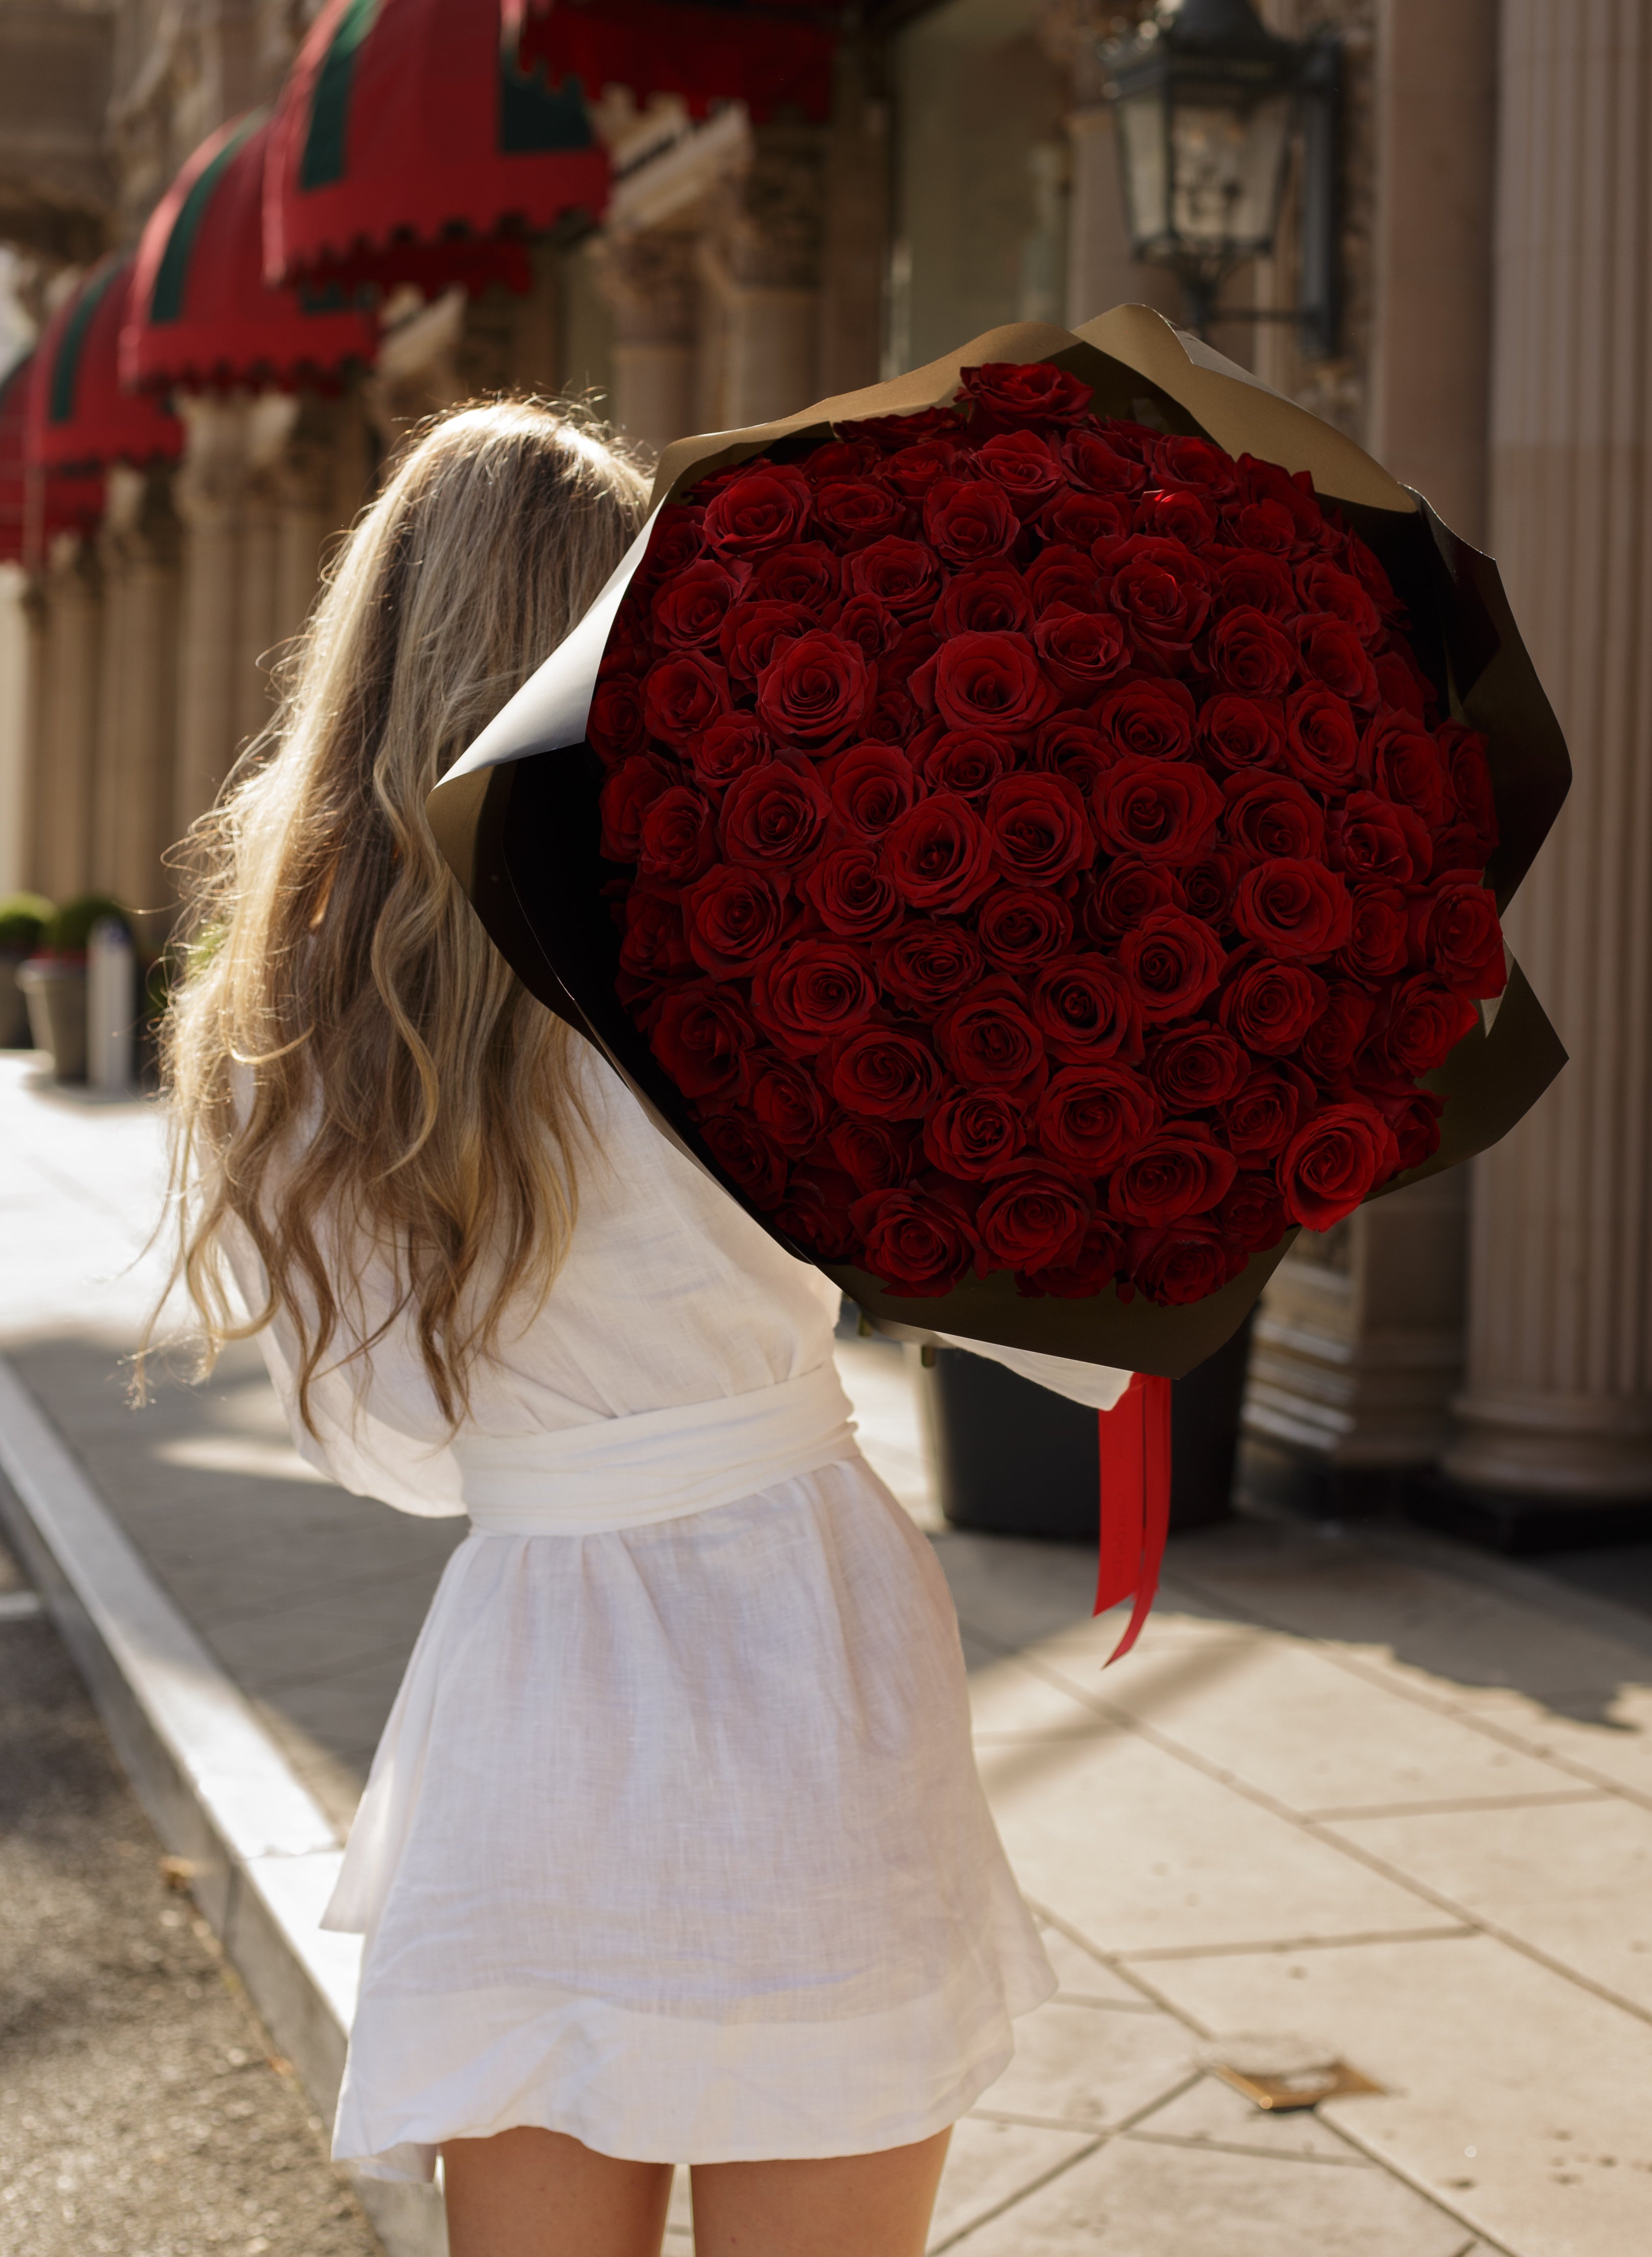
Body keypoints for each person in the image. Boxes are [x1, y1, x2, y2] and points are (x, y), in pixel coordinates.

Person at [161, 404, 1057, 2257]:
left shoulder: (316, 1018)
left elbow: (387, 1451)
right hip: (811, 1634)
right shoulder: (770, 924)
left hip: (542, 1672)